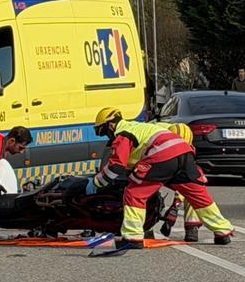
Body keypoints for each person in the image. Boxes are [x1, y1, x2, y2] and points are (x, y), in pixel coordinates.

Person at [87, 107, 233, 255]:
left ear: (110, 125)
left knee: (134, 193)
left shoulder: (123, 134)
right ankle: (223, 231)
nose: (106, 136)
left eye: (103, 132)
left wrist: (96, 182)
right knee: (197, 193)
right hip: (184, 151)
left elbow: (116, 166)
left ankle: (132, 237)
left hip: (162, 154)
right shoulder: (140, 127)